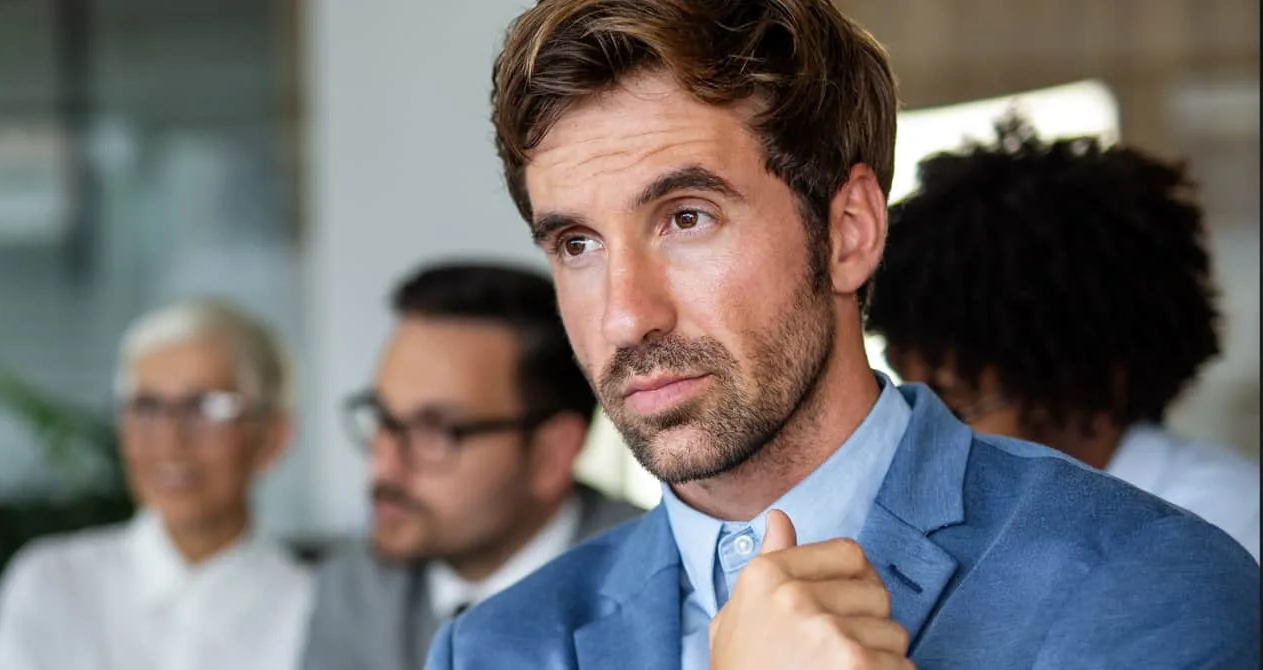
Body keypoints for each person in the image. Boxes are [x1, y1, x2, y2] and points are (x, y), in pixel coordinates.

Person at [427, 0, 1261, 668]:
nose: (624, 314)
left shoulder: (1147, 583)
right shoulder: (496, 648)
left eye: (687, 218)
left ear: (851, 231)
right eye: (577, 244)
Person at [865, 117, 1261, 559]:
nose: (923, 426)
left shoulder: (1226, 533)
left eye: (957, 404)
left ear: (1085, 386)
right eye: (907, 393)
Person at [302, 262, 643, 670]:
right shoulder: (355, 588)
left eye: (437, 431)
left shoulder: (655, 586)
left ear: (550, 453)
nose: (384, 466)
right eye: (383, 419)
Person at [0, 299, 311, 670]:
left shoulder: (313, 610)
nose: (169, 439)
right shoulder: (51, 586)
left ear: (273, 438)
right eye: (146, 407)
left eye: (206, 408)